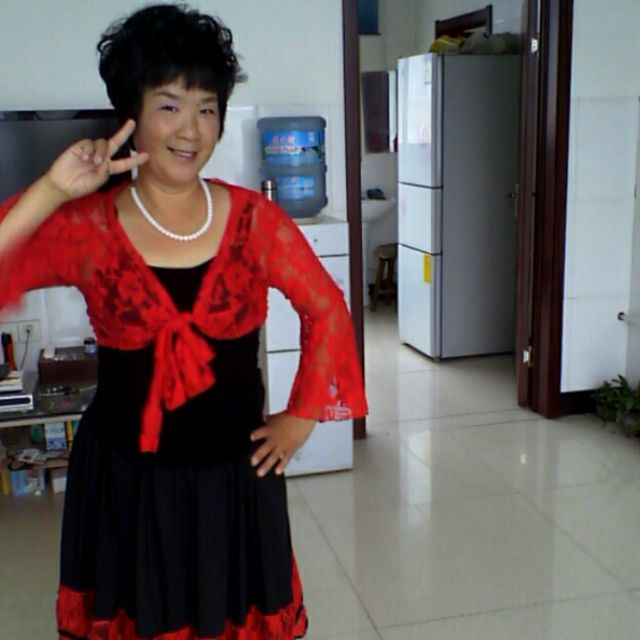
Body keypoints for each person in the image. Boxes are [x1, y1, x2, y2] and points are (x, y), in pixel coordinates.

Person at [0, 5, 367, 639]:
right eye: (168, 105)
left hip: (235, 482)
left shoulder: (255, 223)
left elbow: (327, 308)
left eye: (206, 107)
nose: (190, 128)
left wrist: (303, 414)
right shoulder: (90, 228)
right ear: (133, 114)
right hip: (126, 484)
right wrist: (54, 190)